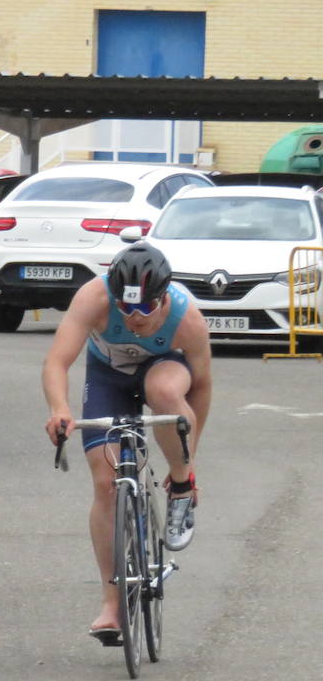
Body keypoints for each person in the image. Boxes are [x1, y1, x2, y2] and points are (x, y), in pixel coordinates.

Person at [42, 240, 212, 644]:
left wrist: (188, 463)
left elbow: (202, 389)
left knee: (165, 392)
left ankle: (180, 490)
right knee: (104, 483)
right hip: (108, 380)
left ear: (163, 299)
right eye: (125, 308)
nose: (134, 317)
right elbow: (57, 361)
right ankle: (112, 604)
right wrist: (59, 409)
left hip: (164, 371)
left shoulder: (188, 318)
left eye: (145, 309)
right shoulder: (94, 297)